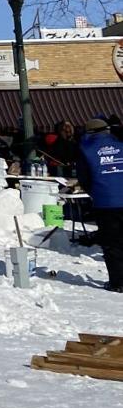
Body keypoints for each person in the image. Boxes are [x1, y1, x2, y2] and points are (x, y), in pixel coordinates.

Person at [79, 117, 123, 292]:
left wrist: (95, 192)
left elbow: (84, 178)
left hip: (105, 202)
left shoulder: (86, 149)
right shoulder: (121, 145)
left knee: (112, 243)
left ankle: (118, 282)